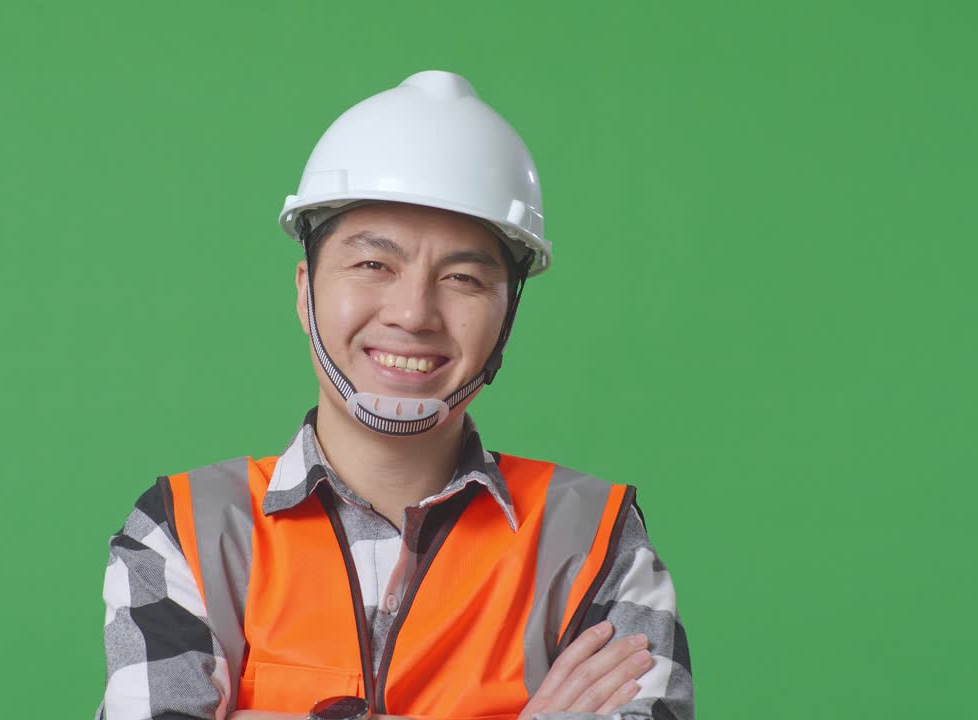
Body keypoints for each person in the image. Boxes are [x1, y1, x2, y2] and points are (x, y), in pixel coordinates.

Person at [97, 70, 694, 720]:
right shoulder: (186, 530)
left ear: (507, 314)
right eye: (374, 265)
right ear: (306, 291)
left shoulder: (594, 539)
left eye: (463, 277)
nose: (414, 313)